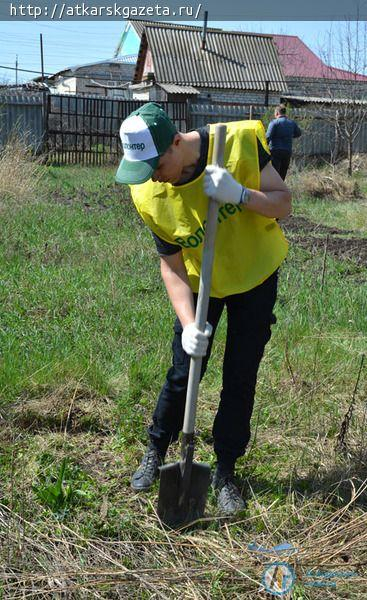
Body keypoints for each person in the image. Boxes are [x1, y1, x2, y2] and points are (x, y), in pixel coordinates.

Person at [115, 102, 291, 517]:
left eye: (156, 165)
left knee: (241, 371)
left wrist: (242, 194)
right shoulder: (147, 192)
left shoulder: (242, 142)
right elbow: (171, 265)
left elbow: (283, 203)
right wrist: (188, 322)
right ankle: (156, 449)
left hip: (254, 274)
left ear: (176, 142)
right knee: (184, 366)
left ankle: (226, 470)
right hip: (200, 283)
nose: (152, 176)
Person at [266, 104, 302, 180]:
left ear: (276, 113)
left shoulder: (274, 123)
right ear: (285, 113)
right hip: (287, 151)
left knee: (275, 174)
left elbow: (268, 137)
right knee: (282, 175)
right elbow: (298, 133)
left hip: (275, 151)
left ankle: (274, 190)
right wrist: (289, 136)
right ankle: (281, 189)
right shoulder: (292, 123)